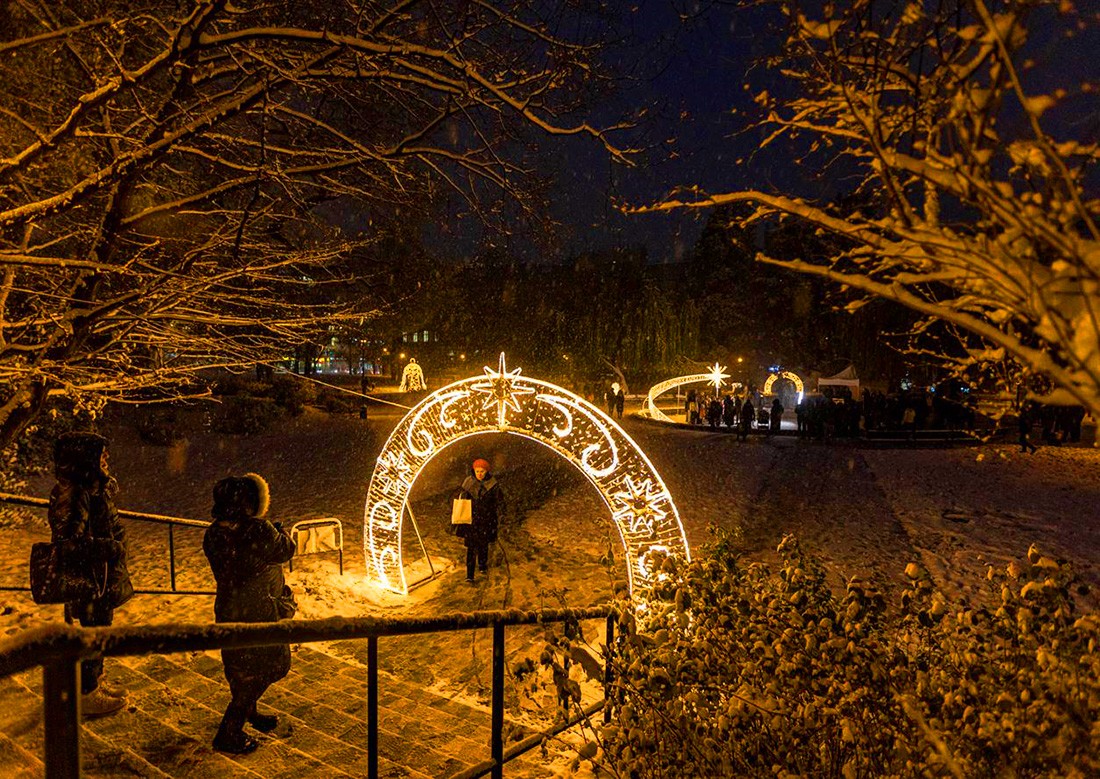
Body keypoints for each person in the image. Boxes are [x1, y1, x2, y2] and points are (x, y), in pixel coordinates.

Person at [203, 473, 296, 754]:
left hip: (230, 608)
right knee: (275, 664)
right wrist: (277, 530)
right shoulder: (257, 530)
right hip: (259, 611)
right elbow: (287, 549)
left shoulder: (214, 533)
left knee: (240, 666)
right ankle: (229, 730)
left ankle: (248, 712)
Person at [48, 432, 133, 718]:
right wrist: (108, 547)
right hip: (90, 579)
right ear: (86, 459)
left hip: (100, 577)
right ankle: (86, 693)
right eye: (101, 454)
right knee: (93, 632)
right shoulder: (76, 493)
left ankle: (94, 682)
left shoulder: (90, 487)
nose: (106, 459)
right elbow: (68, 542)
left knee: (99, 629)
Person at [455, 458, 505, 582]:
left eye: (482, 471)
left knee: (483, 545)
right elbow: (461, 499)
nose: (479, 474)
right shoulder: (468, 483)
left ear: (486, 471)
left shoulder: (493, 485)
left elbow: (499, 501)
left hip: (486, 520)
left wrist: (499, 514)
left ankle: (482, 565)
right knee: (471, 547)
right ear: (474, 471)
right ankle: (470, 574)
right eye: (477, 471)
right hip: (471, 520)